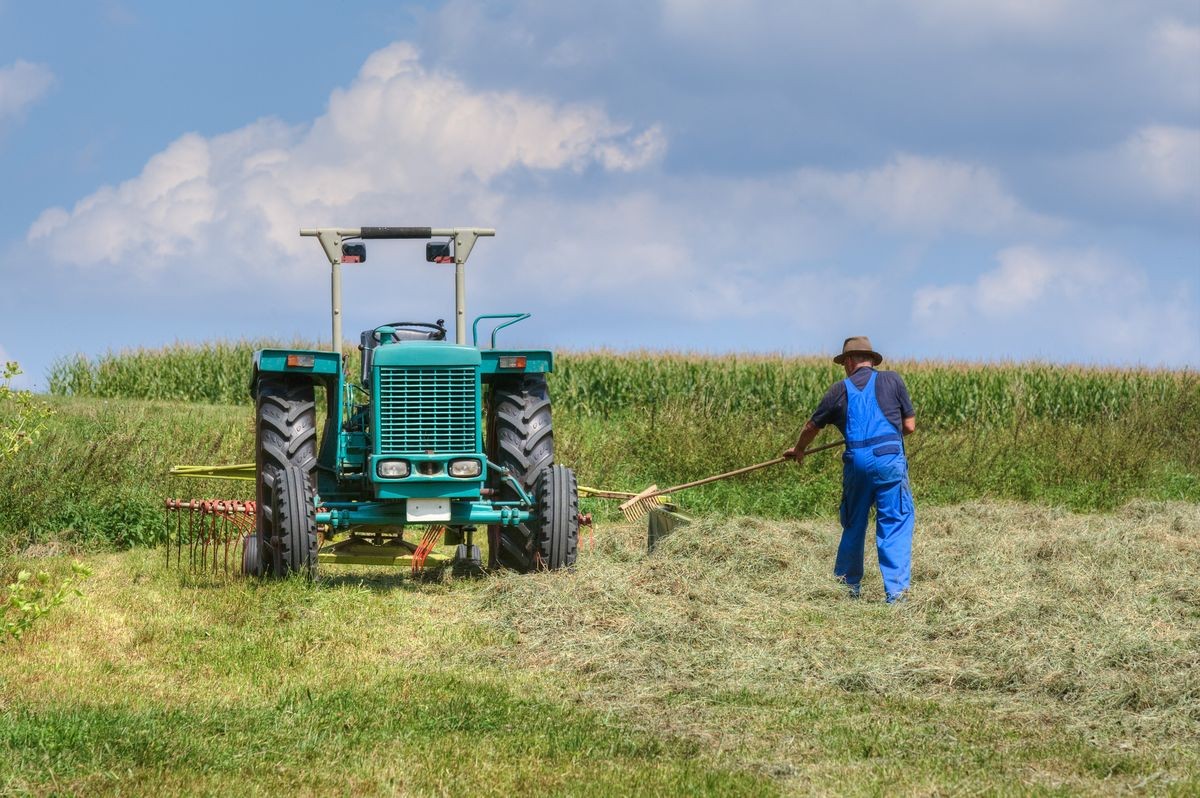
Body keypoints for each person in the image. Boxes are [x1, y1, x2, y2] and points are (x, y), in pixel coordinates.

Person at [785, 336, 916, 602]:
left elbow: (811, 427)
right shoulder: (893, 380)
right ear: (870, 359)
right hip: (890, 460)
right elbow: (910, 426)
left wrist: (798, 449)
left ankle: (847, 589)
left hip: (857, 464)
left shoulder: (839, 390)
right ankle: (897, 595)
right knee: (894, 524)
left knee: (854, 523)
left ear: (848, 361)